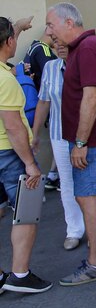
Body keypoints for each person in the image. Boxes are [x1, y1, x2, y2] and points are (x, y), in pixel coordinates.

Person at [45, 3, 96, 286]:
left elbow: (91, 97)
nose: (48, 32)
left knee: (88, 196)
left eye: (51, 25)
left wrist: (80, 142)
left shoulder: (88, 48)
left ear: (69, 22)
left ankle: (95, 263)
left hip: (91, 141)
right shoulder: (90, 46)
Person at [0, 17, 52, 294]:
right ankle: (20, 273)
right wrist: (31, 164)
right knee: (26, 211)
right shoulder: (5, 81)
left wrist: (17, 26)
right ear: (8, 42)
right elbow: (12, 126)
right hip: (7, 154)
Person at [32, 43, 85, 250]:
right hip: (59, 134)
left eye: (64, 44)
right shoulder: (50, 67)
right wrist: (35, 133)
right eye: (56, 43)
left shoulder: (83, 64)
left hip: (85, 134)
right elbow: (44, 101)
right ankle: (73, 229)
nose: (59, 47)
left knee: (90, 181)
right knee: (67, 182)